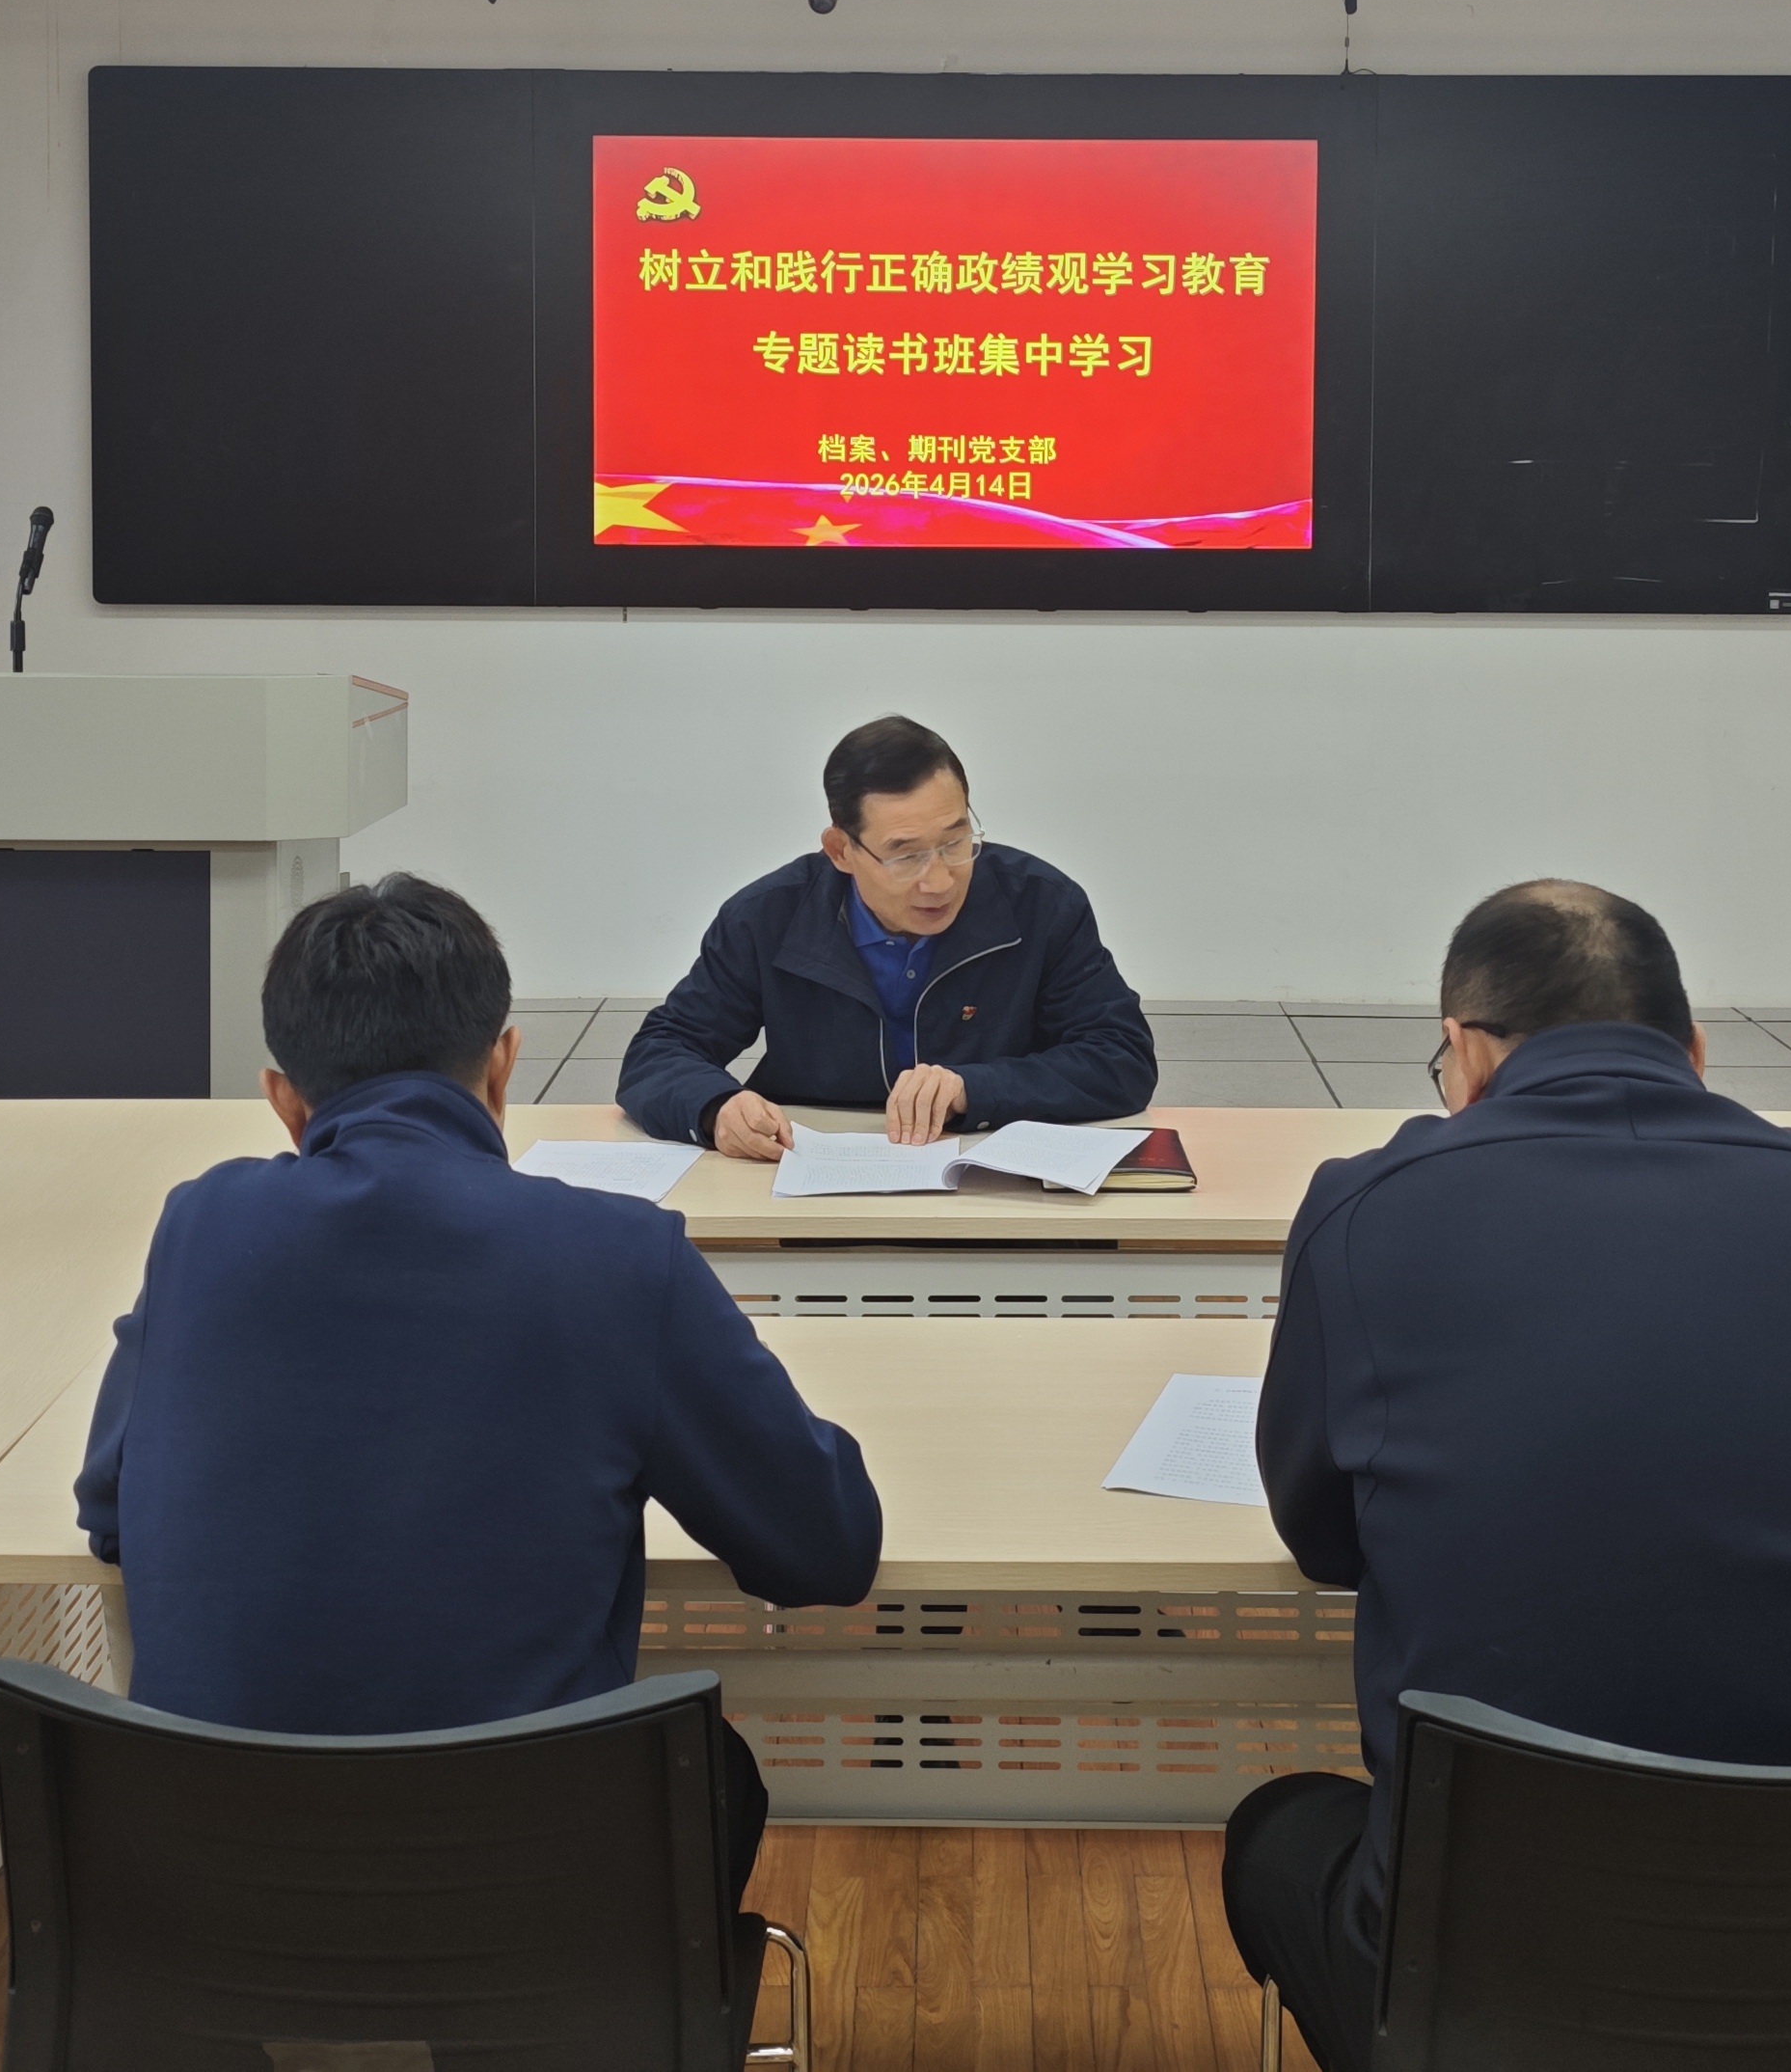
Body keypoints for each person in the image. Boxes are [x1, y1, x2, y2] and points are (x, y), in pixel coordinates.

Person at [1223, 880, 1791, 2072]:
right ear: (1695, 1048)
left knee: (1280, 1832)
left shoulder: (1366, 1210)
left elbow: (1324, 1539)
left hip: (1496, 1978)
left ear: (1465, 1053)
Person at [76, 871, 882, 1911]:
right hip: (531, 1901)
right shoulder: (614, 1255)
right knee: (708, 1768)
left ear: (282, 1099)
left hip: (214, 1898)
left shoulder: (201, 1225)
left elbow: (110, 1511)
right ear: (504, 1065)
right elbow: (824, 1551)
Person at [617, 715, 1154, 1156]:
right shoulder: (766, 918)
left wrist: (975, 1088)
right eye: (905, 855)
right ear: (841, 850)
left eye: (956, 842)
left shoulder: (1042, 904)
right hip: (813, 1172)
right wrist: (714, 1108)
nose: (939, 881)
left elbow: (1121, 1057)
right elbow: (661, 1050)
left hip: (991, 1171)